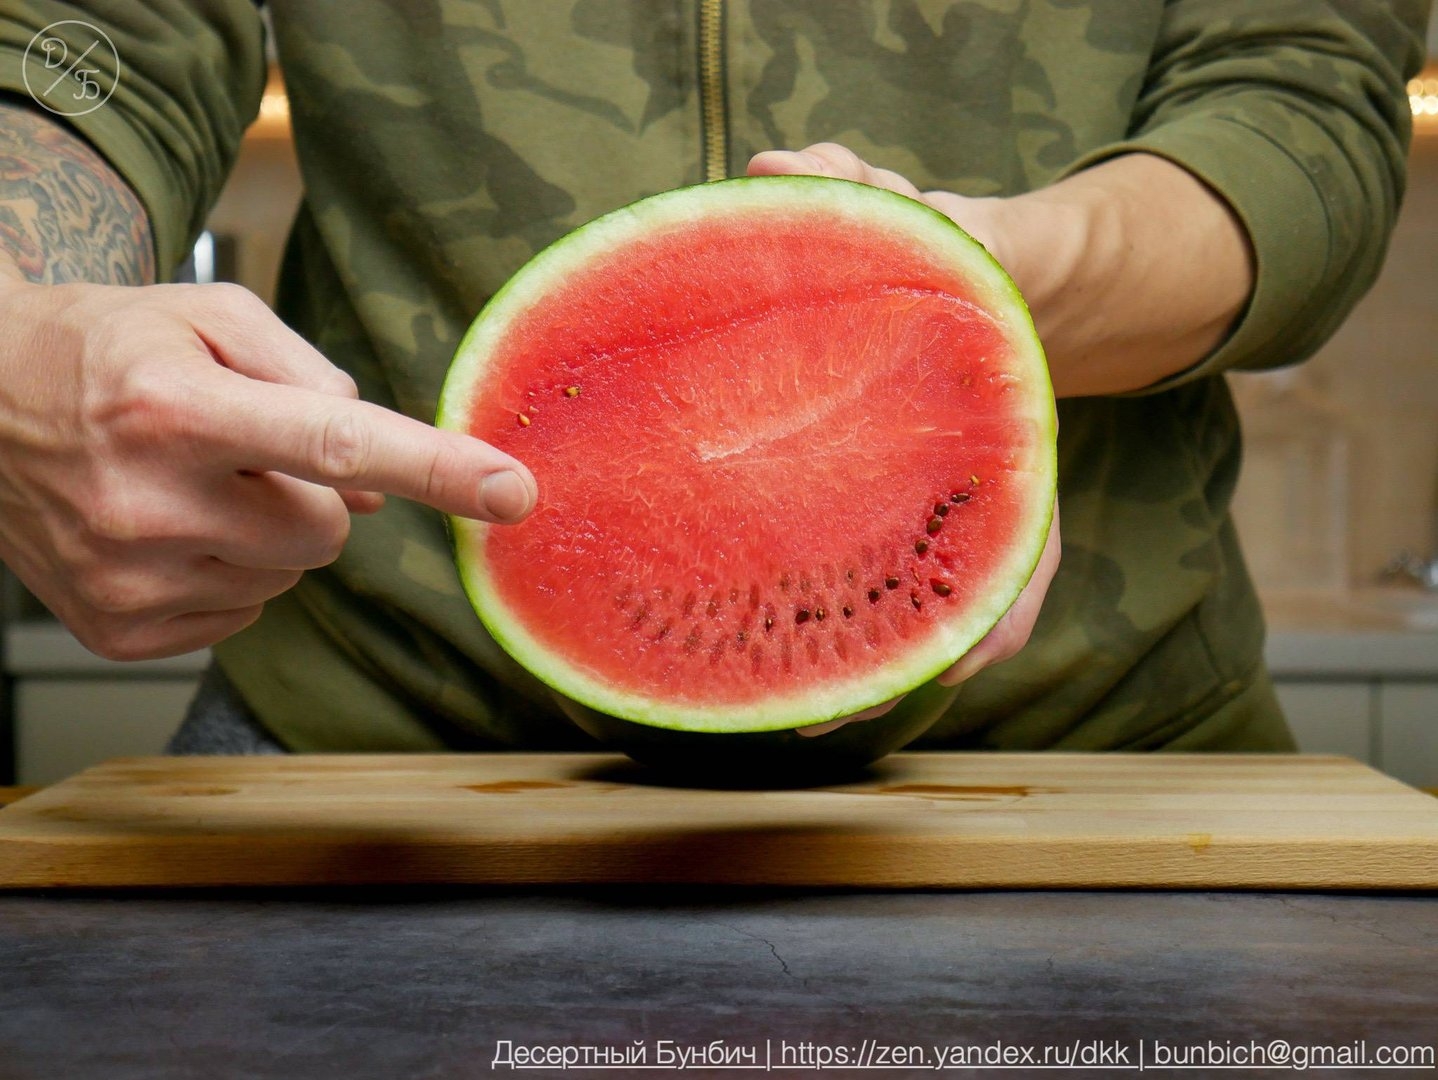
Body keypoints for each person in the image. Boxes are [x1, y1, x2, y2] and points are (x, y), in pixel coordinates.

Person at [0, 2, 1426, 756]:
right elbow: (85, 47)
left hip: (1093, 747)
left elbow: (1297, 100)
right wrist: (18, 326)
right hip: (374, 741)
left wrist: (985, 277)